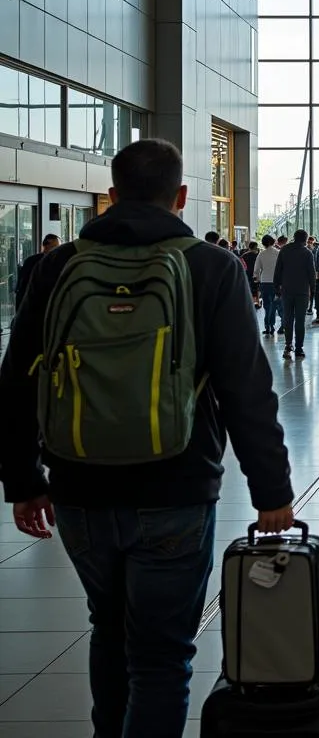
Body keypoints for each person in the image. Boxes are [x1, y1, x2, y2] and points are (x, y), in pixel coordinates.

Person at [0, 139, 293, 738]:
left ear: (111, 193)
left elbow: (16, 380)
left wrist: (24, 481)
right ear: (181, 196)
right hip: (177, 486)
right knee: (161, 655)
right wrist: (272, 491)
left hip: (79, 485)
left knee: (108, 629)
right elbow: (247, 389)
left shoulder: (59, 267)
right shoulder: (210, 267)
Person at [274, 229, 316, 360]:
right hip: (302, 291)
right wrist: (313, 290)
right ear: (305, 239)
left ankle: (288, 346)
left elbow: (278, 270)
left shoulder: (284, 250)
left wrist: (277, 288)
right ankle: (299, 348)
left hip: (286, 290)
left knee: (288, 318)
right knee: (300, 320)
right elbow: (311, 273)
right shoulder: (307, 253)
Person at [14, 233, 60, 309]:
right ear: (45, 247)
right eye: (54, 247)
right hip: (32, 303)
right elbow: (22, 285)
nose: (57, 250)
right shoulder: (32, 262)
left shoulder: (58, 262)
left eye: (58, 247)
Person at [253, 234, 281, 336]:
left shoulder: (261, 254)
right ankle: (272, 325)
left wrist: (257, 280)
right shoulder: (278, 253)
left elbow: (256, 270)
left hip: (264, 282)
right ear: (273, 242)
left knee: (266, 305)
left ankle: (267, 326)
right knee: (274, 305)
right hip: (276, 283)